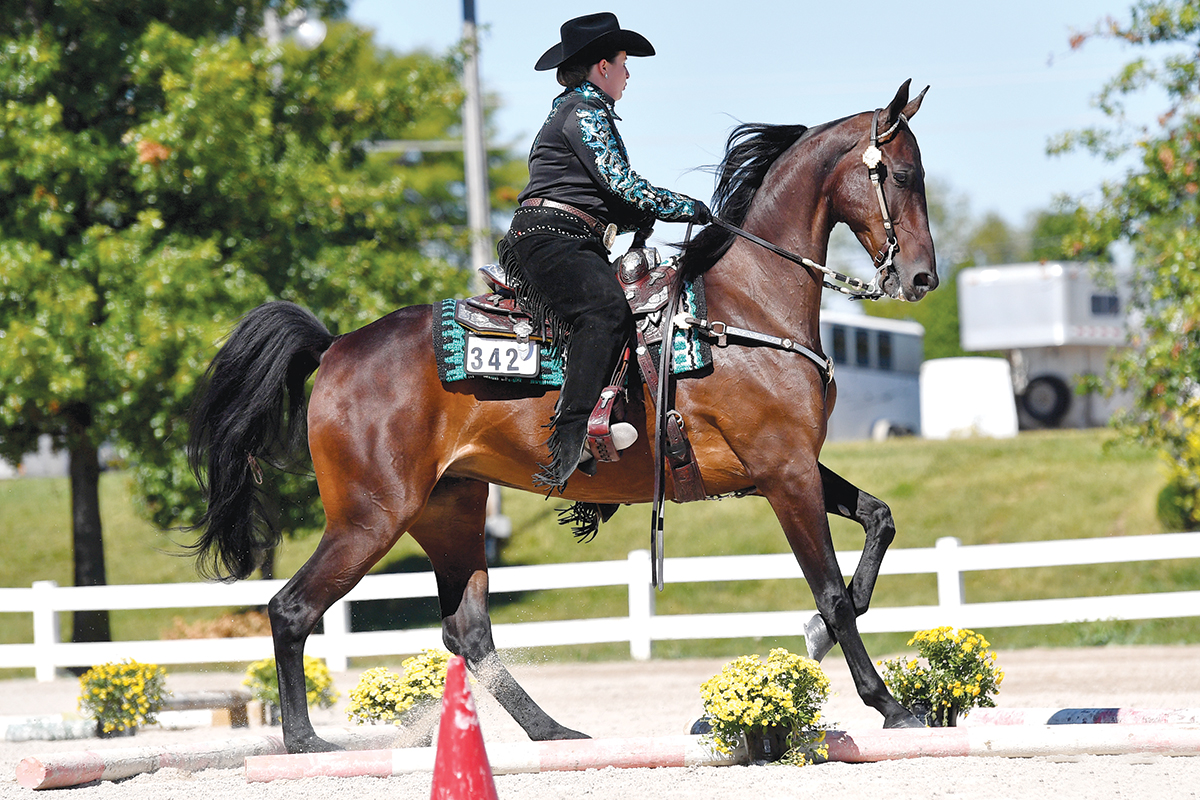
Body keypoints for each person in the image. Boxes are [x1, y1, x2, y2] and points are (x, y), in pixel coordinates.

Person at [497, 12, 711, 489]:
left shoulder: (577, 110)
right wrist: (689, 208)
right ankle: (571, 439)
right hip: (553, 237)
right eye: (624, 63)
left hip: (567, 234)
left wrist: (641, 215)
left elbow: (605, 194)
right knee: (605, 312)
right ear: (602, 67)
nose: (629, 74)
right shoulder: (584, 113)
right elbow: (621, 183)